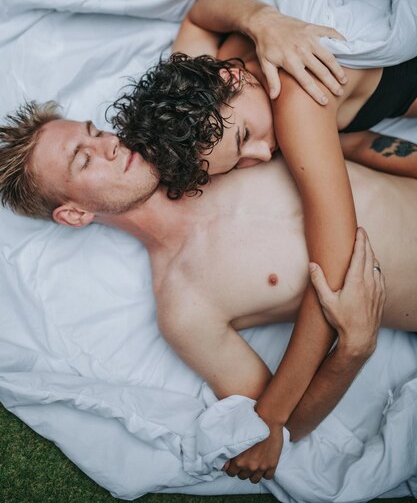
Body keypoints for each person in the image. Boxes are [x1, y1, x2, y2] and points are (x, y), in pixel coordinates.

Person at [1, 102, 417, 485]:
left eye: (95, 132)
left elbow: (353, 145)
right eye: (84, 158)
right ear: (75, 214)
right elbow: (282, 426)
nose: (109, 144)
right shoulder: (184, 306)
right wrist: (352, 352)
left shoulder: (210, 150)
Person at [109, 0, 417, 478]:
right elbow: (203, 13)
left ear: (232, 77)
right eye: (240, 159)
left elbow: (334, 261)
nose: (259, 154)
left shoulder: (288, 98)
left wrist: (269, 418)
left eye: (245, 139)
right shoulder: (204, 96)